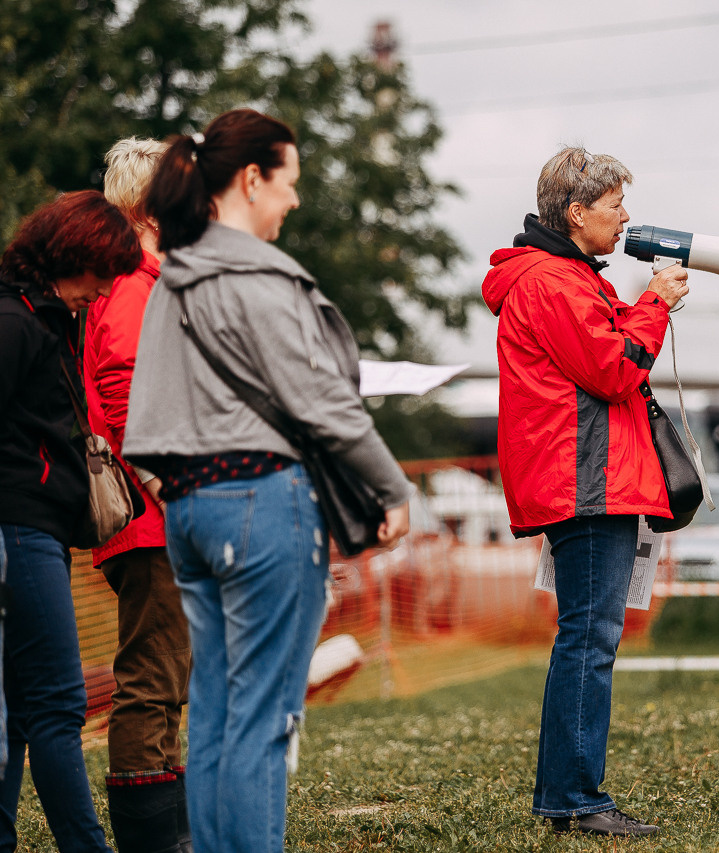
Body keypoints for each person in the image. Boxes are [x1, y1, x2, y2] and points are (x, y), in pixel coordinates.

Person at [122, 108, 413, 853]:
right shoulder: (258, 276)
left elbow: (141, 419)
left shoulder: (171, 279)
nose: (295, 200)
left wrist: (175, 489)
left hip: (188, 513)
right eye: (290, 182)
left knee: (216, 717)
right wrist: (391, 486)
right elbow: (323, 402)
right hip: (263, 503)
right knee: (266, 720)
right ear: (252, 179)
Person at [481, 146, 689, 837]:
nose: (625, 217)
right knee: (589, 640)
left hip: (583, 477)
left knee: (584, 636)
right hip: (587, 482)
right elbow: (613, 368)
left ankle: (563, 794)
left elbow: (602, 355)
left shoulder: (560, 278)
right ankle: (576, 796)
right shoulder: (555, 284)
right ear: (576, 214)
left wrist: (639, 310)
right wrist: (654, 306)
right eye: (613, 206)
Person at [0, 190, 142, 852]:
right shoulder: (16, 321)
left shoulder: (50, 318)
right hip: (19, 530)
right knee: (57, 703)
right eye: (102, 269)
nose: (106, 286)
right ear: (73, 253)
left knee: (16, 715)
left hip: (38, 530)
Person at [84, 136, 193, 853]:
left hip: (160, 514)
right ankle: (154, 840)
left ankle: (169, 829)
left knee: (166, 673)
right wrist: (177, 484)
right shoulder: (132, 285)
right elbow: (124, 388)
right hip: (152, 515)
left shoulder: (146, 280)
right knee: (152, 676)